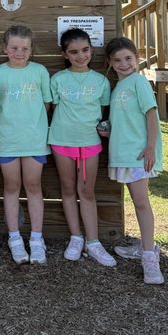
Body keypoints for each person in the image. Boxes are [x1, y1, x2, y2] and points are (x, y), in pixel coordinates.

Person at [49, 28, 115, 267]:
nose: (80, 56)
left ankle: (94, 241)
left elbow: (104, 113)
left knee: (86, 192)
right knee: (67, 190)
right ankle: (76, 237)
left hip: (90, 143)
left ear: (91, 50)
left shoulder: (101, 82)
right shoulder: (57, 80)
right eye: (74, 52)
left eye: (85, 50)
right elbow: (54, 109)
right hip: (61, 141)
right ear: (65, 54)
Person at [103, 37, 165, 284]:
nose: (123, 63)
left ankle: (150, 257)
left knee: (141, 202)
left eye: (128, 58)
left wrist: (150, 147)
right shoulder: (118, 87)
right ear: (110, 63)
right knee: (135, 201)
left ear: (136, 58)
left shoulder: (138, 82)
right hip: (122, 154)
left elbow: (151, 115)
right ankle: (143, 246)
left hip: (138, 156)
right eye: (117, 60)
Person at [0, 25, 52, 265]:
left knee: (34, 185)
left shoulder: (39, 72)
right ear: (5, 48)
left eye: (24, 48)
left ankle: (36, 238)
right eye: (14, 47)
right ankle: (14, 237)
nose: (19, 52)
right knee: (12, 186)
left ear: (31, 50)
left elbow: (46, 104)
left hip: (34, 140)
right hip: (7, 140)